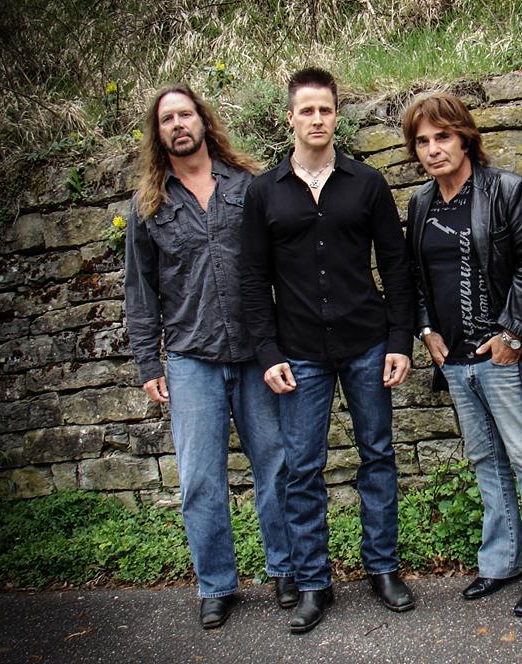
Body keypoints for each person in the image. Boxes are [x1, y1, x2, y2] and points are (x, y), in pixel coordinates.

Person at [241, 67, 416, 634]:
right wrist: (267, 352)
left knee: (377, 456)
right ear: (289, 118)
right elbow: (252, 279)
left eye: (326, 109)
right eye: (307, 110)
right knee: (301, 469)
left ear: (337, 116)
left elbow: (396, 264)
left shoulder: (366, 183)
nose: (317, 119)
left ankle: (382, 568)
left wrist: (399, 340)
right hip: (299, 352)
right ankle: (314, 582)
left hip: (366, 342)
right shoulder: (264, 192)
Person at [124, 83, 296, 630]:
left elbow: (281, 267)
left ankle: (286, 569)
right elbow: (140, 290)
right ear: (158, 134)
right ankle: (217, 585)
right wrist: (148, 363)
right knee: (200, 479)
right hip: (190, 357)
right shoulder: (148, 205)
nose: (178, 125)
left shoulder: (248, 186)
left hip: (256, 354)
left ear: (203, 120)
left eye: (185, 114)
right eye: (167, 119)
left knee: (276, 466)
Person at [402, 93, 522, 617]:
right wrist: (425, 329)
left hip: (501, 356)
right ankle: (500, 562)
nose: (433, 149)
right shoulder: (421, 204)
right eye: (422, 141)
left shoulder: (506, 189)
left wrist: (512, 335)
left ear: (465, 137)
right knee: (486, 461)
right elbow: (416, 278)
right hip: (454, 360)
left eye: (443, 136)